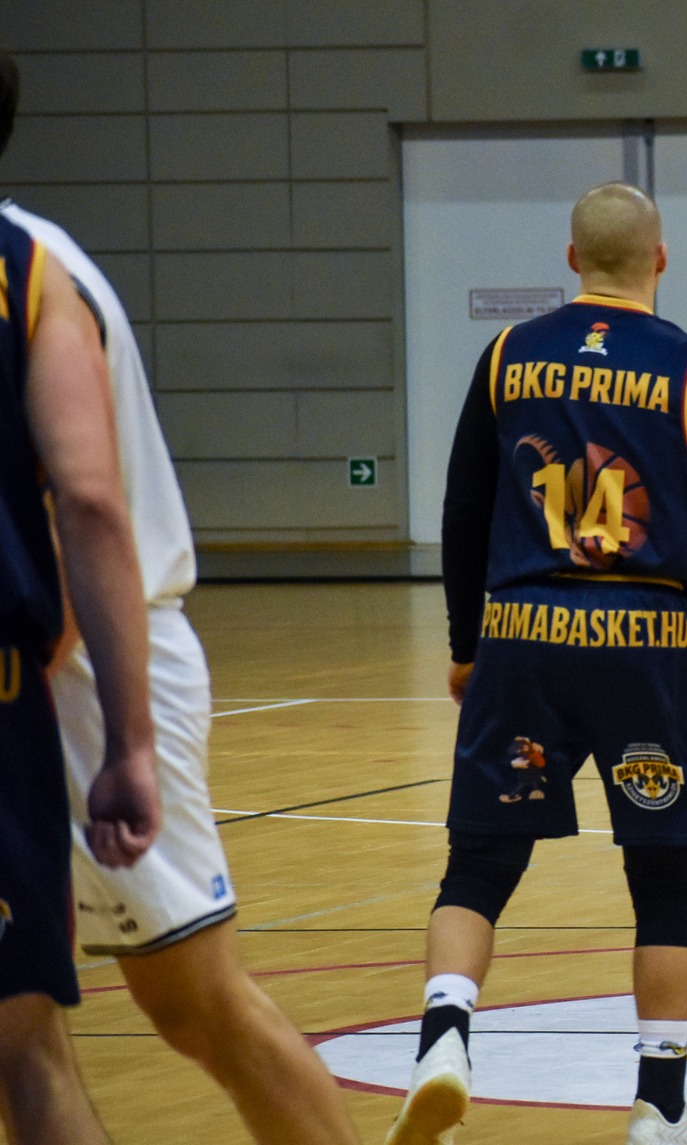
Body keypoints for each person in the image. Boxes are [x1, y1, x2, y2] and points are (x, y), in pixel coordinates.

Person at [388, 182, 687, 1145]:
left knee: (478, 865)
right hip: (647, 644)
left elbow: (462, 512)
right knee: (665, 880)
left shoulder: (507, 356)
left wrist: (466, 644)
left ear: (571, 258)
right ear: (661, 259)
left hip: (524, 633)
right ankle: (659, 1107)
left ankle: (444, 1039)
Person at [1, 103, 363, 1145]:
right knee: (20, 1026)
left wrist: (116, 730)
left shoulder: (40, 271)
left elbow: (79, 504)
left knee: (196, 1000)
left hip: (84, 660)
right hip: (57, 662)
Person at [0, 55, 162, 1145]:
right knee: (26, 1053)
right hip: (3, 698)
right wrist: (129, 740)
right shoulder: (29, 273)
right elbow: (93, 502)